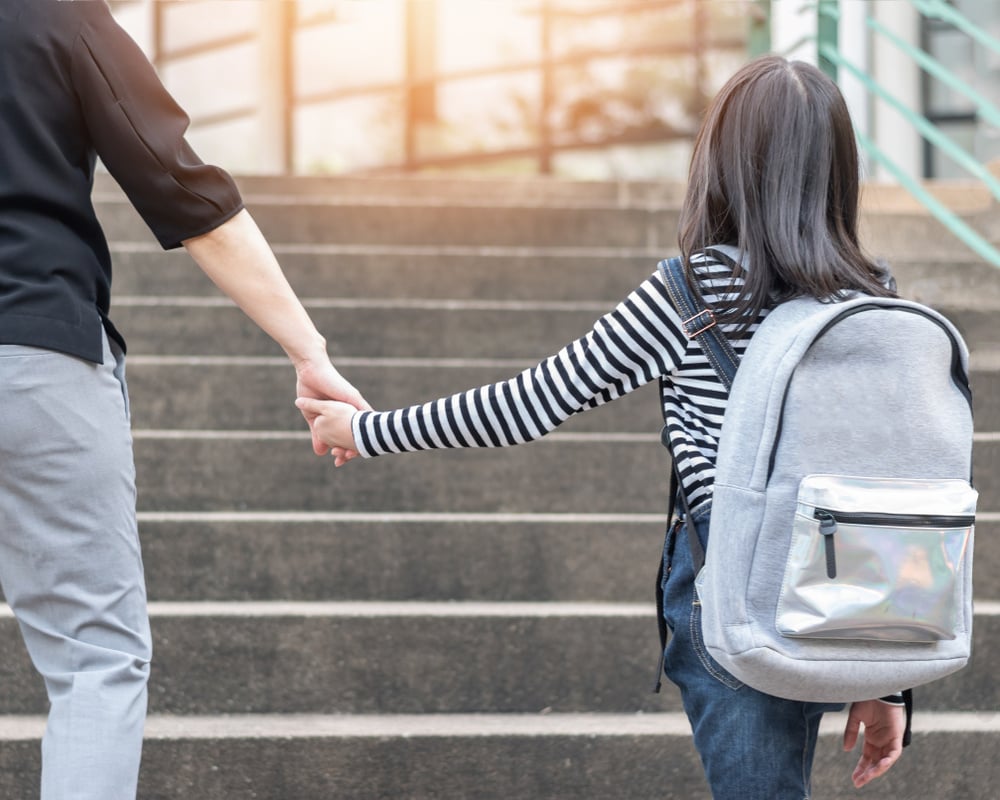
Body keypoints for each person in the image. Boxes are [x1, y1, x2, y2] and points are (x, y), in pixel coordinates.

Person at [294, 55, 908, 798]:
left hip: (734, 590)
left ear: (722, 161)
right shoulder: (874, 297)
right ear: (837, 168)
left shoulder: (692, 291)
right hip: (841, 584)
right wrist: (887, 676)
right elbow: (885, 486)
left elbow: (527, 406)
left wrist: (365, 431)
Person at [0, 2, 365, 798]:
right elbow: (185, 191)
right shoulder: (55, 15)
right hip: (34, 349)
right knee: (95, 656)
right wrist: (308, 350)